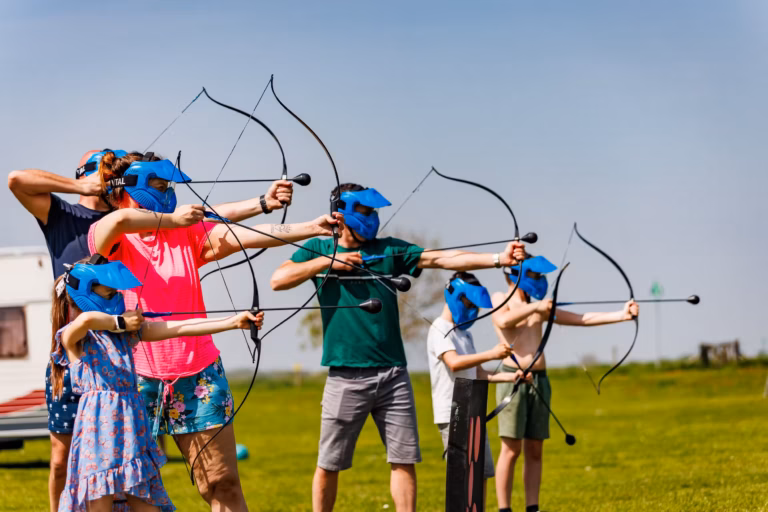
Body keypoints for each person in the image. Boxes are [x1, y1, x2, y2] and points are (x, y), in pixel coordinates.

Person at [8, 149, 292, 512]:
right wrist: (80, 186)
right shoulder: (65, 214)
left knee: (130, 483)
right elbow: (16, 180)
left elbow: (204, 216)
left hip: (125, 354)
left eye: (113, 165)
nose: (108, 171)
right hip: (79, 353)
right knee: (67, 462)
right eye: (102, 166)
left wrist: (261, 204)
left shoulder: (133, 217)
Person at [88, 151, 341, 510]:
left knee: (222, 484)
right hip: (131, 376)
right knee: (130, 492)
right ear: (131, 188)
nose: (168, 193)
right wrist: (173, 218)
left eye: (169, 186)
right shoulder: (111, 237)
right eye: (159, 185)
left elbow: (249, 234)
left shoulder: (186, 234)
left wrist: (311, 228)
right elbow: (121, 219)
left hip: (198, 373)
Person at [270, 183, 527, 512]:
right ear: (342, 212)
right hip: (345, 374)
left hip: (393, 374)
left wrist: (498, 259)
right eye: (365, 211)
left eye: (373, 211)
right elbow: (278, 279)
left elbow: (441, 258)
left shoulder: (389, 250)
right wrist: (328, 263)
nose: (372, 217)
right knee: (329, 462)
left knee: (404, 459)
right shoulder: (318, 248)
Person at [51, 255, 263, 511]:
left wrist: (233, 322)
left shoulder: (125, 334)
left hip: (131, 428)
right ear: (85, 293)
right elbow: (86, 321)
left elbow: (178, 327)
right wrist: (121, 322)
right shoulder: (75, 337)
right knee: (100, 502)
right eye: (110, 293)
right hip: (99, 431)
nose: (117, 298)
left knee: (145, 501)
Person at [491, 255, 639, 512]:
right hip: (512, 380)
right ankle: (505, 509)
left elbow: (580, 318)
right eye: (534, 275)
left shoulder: (539, 307)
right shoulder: (499, 298)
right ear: (515, 275)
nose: (539, 280)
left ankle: (532, 507)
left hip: (540, 380)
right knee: (511, 449)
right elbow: (503, 321)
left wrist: (622, 315)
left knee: (535, 448)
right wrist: (537, 308)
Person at [427, 272, 532, 505]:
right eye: (469, 304)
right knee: (462, 476)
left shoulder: (465, 334)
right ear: (455, 296)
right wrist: (492, 354)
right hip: (452, 413)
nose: (473, 310)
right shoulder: (439, 328)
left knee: (481, 473)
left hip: (472, 411)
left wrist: (513, 377)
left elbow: (479, 373)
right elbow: (454, 363)